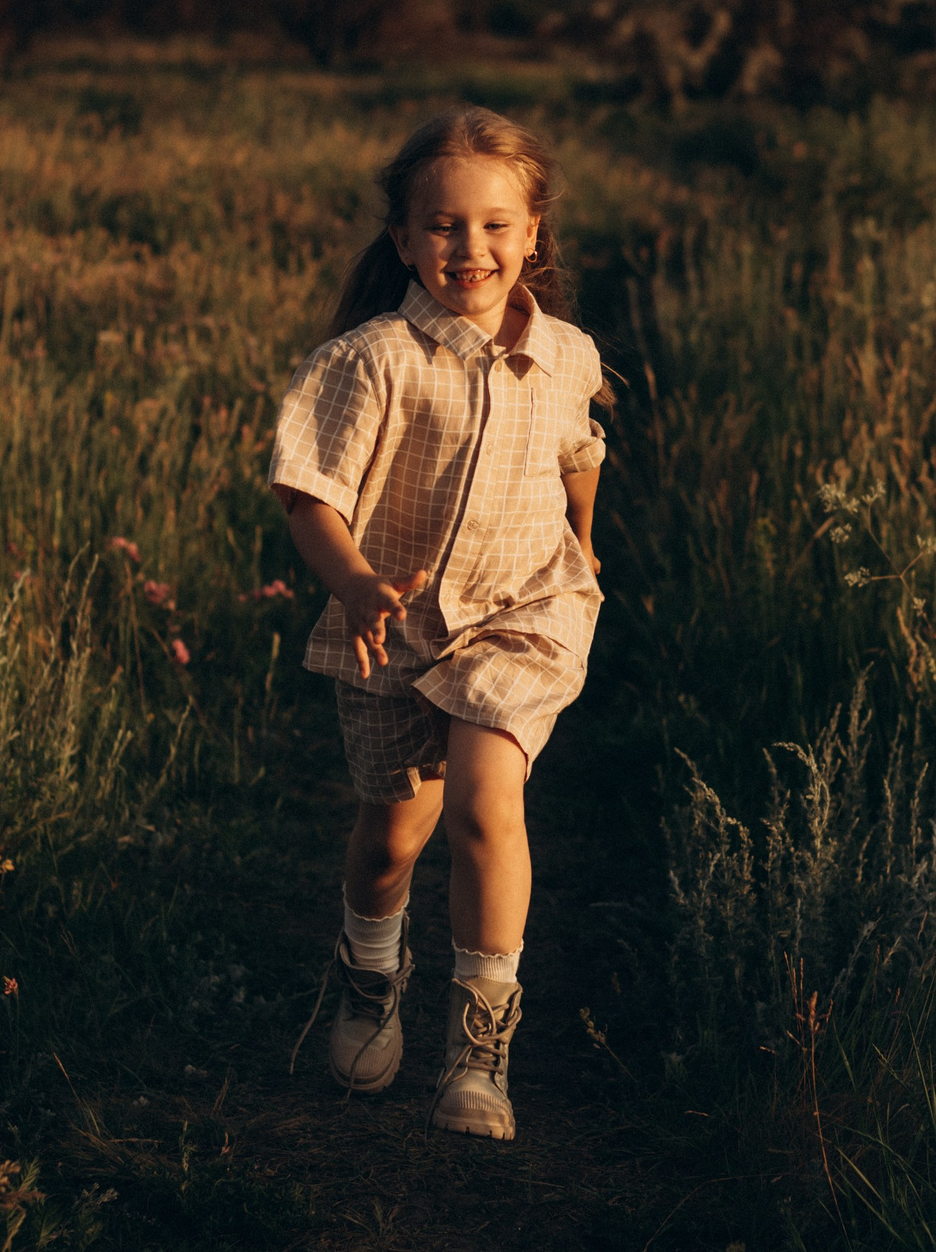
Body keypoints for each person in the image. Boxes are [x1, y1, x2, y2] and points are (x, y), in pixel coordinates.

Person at [270, 105, 608, 1141]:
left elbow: (577, 451)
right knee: (389, 841)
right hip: (395, 627)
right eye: (445, 226)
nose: (471, 247)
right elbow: (306, 493)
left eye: (496, 225)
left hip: (525, 613)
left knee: (483, 799)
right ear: (405, 238)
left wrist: (585, 551)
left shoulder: (566, 354)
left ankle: (477, 1050)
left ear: (533, 235)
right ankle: (369, 972)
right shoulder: (370, 360)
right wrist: (359, 582)